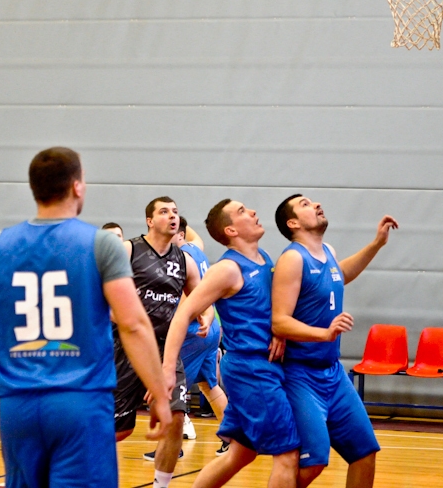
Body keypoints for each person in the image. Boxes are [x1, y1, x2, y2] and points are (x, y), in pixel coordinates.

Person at [0, 146, 170, 488]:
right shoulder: (100, 244)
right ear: (77, 186)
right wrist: (159, 394)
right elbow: (132, 323)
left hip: (19, 406)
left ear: (34, 188)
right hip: (80, 403)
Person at [162, 199, 300, 488]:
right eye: (242, 212)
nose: (252, 212)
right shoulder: (227, 269)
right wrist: (167, 370)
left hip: (262, 367)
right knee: (288, 454)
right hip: (253, 371)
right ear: (231, 230)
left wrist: (280, 330)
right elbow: (183, 314)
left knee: (240, 454)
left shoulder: (264, 258)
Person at [271, 195, 397, 488]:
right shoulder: (292, 258)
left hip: (333, 373)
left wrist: (376, 244)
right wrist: (324, 333)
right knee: (313, 461)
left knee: (365, 454)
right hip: (300, 374)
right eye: (304, 204)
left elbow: (340, 274)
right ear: (293, 223)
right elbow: (279, 320)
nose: (315, 205)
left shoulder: (327, 252)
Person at [115, 197, 200, 488]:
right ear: (150, 221)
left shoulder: (184, 260)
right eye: (164, 212)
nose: (172, 216)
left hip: (166, 348)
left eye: (175, 211)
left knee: (176, 417)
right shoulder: (129, 249)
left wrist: (206, 317)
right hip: (126, 346)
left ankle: (160, 486)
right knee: (117, 430)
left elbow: (201, 298)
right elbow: (98, 291)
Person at [174, 215, 229, 454]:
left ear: (180, 234)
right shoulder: (196, 248)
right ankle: (231, 437)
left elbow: (188, 301)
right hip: (212, 327)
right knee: (209, 385)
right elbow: (195, 235)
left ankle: (171, 445)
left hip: (196, 328)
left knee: (172, 387)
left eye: (173, 229)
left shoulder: (182, 256)